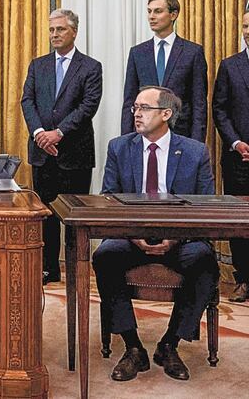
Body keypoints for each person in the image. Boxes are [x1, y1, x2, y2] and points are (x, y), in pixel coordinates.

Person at [93, 86, 218, 383]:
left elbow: (205, 206)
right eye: (135, 107)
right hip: (131, 237)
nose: (136, 113)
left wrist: (175, 237)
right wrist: (133, 234)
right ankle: (134, 347)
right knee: (105, 256)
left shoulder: (194, 152)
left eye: (144, 108)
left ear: (166, 114)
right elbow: (109, 199)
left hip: (180, 238)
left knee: (204, 261)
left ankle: (169, 344)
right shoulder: (119, 147)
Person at [21, 8, 102, 284]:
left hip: (74, 154)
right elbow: (27, 102)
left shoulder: (91, 67)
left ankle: (76, 270)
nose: (54, 34)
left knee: (74, 217)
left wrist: (59, 133)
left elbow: (88, 106)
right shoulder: (38, 65)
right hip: (42, 153)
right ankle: (49, 269)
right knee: (46, 214)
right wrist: (41, 133)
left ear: (74, 32)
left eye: (61, 29)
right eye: (52, 29)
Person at [121, 0, 207, 141]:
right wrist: (127, 139)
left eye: (158, 11)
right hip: (144, 135)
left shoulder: (192, 52)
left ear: (173, 15)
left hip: (181, 134)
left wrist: (197, 142)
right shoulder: (138, 53)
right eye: (149, 11)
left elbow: (199, 103)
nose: (151, 16)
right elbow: (129, 99)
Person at [213, 9, 249, 302]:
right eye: (246, 26)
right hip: (239, 159)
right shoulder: (229, 65)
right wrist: (236, 142)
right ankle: (244, 279)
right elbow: (219, 109)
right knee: (241, 222)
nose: (248, 31)